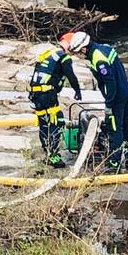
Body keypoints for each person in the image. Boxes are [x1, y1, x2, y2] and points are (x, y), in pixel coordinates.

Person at [68, 31, 128, 173]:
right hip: (125, 92)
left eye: (78, 52)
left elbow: (110, 83)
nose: (79, 55)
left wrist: (109, 104)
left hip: (116, 97)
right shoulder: (104, 48)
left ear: (84, 48)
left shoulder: (98, 59)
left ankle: (114, 163)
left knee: (114, 128)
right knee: (125, 124)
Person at [28, 33, 82, 168]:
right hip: (47, 94)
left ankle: (47, 153)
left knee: (43, 123)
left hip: (36, 93)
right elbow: (71, 75)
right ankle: (53, 156)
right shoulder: (64, 57)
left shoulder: (49, 53)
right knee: (56, 121)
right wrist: (77, 91)